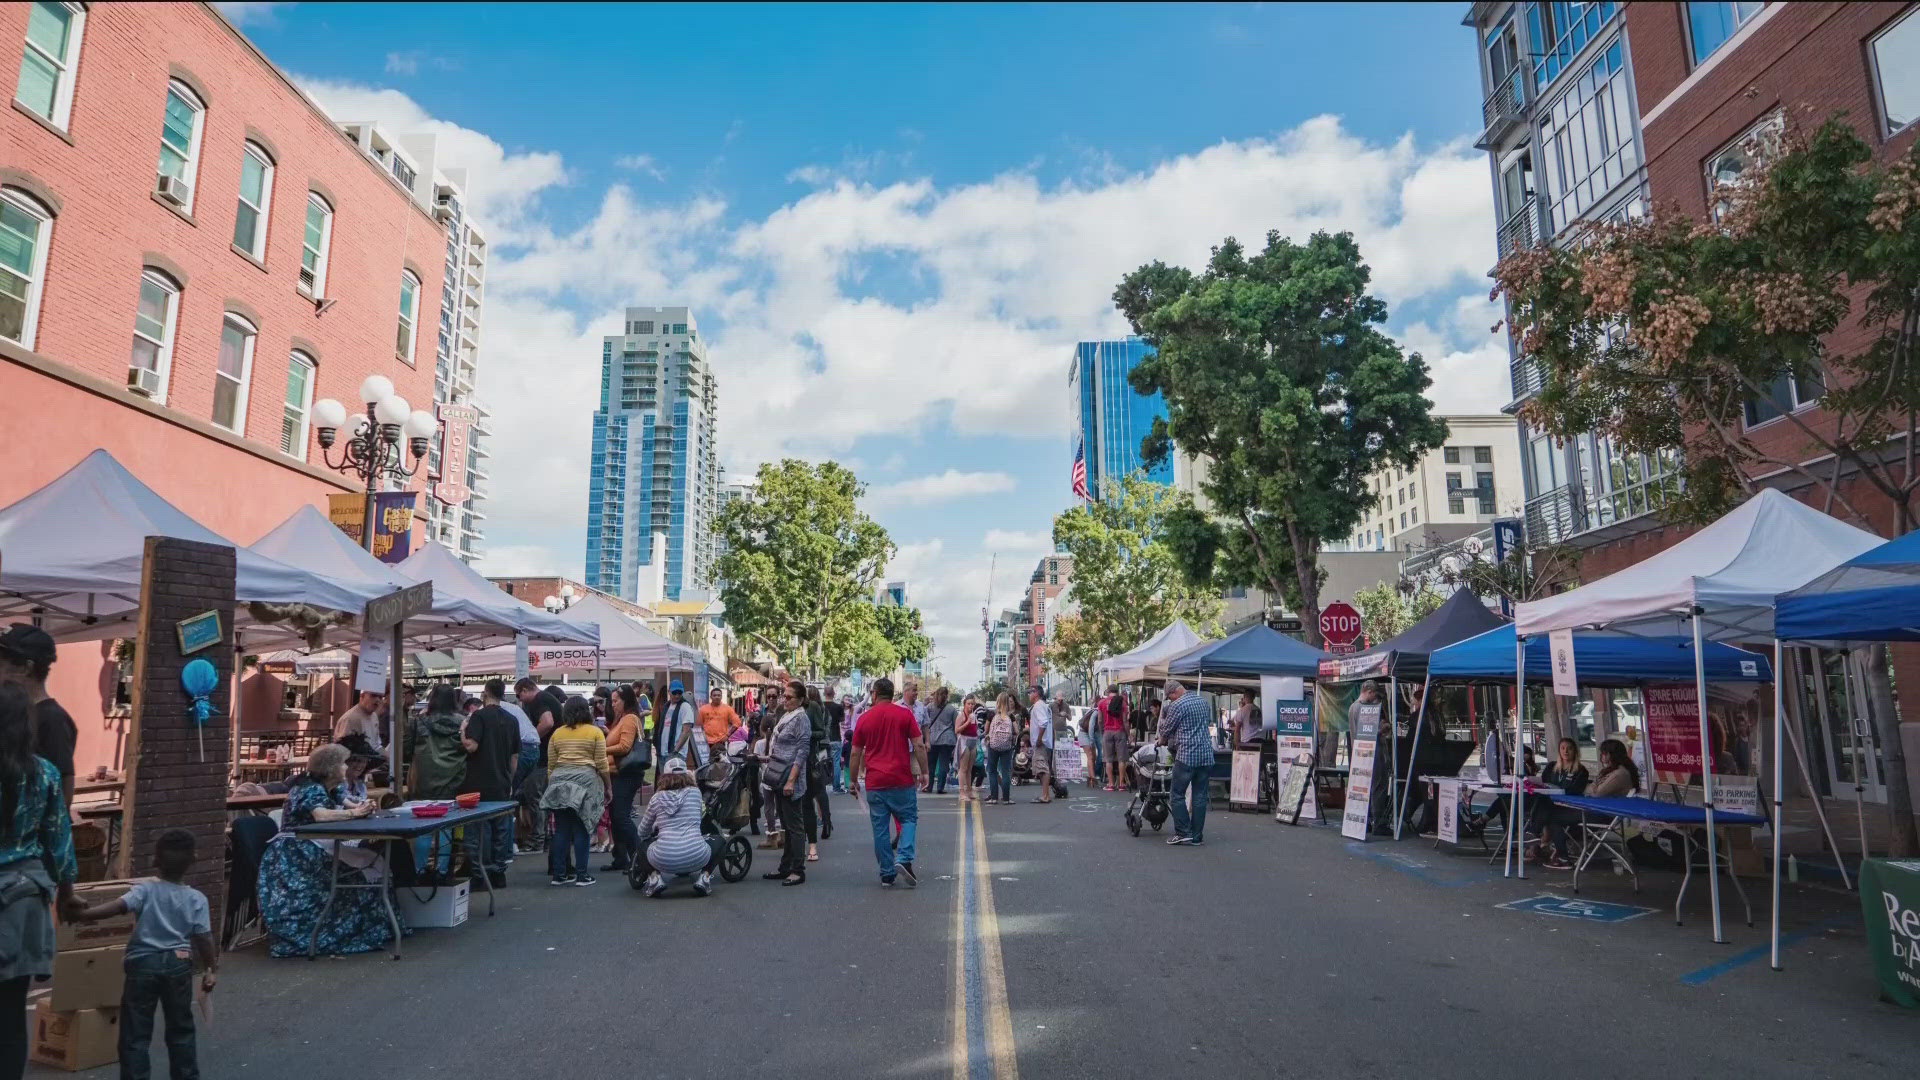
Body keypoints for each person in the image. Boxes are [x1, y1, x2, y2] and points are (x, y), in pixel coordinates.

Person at [72, 829, 215, 1080]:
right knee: (181, 1029)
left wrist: (84, 915)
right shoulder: (197, 899)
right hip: (178, 964)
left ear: (155, 862)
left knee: (135, 1032)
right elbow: (204, 938)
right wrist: (211, 969)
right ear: (193, 861)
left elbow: (117, 907)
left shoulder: (144, 890)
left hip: (142, 965)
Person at [0, 680, 78, 1080]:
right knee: (11, 1017)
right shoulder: (45, 774)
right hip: (24, 905)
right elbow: (59, 842)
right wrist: (66, 895)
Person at [257, 744, 394, 957]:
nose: (346, 767)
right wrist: (355, 814)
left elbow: (350, 804)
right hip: (296, 852)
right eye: (342, 763)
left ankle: (377, 926)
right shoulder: (308, 789)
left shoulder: (333, 787)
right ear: (330, 767)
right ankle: (344, 930)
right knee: (356, 873)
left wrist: (363, 807)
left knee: (373, 861)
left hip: (317, 844)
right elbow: (321, 815)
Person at [848, 677, 927, 887]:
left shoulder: (865, 719)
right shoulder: (904, 714)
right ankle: (903, 857)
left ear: (874, 694)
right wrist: (925, 772)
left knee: (880, 829)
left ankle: (886, 872)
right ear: (892, 695)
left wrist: (853, 780)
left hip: (875, 782)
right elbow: (919, 745)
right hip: (901, 779)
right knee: (909, 818)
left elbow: (855, 754)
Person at [0, 625, 77, 819]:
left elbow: (62, 791)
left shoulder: (53, 720)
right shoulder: (16, 712)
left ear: (26, 668)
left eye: (1, 665)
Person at [541, 696, 609, 886]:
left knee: (562, 830)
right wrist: (608, 787)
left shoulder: (557, 734)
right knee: (582, 828)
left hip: (559, 780)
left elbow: (551, 764)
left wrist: (550, 785)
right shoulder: (595, 732)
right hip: (585, 780)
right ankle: (582, 874)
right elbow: (602, 764)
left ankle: (559, 875)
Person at [459, 679, 519, 888]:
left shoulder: (478, 716)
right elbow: (514, 756)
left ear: (485, 694)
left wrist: (463, 731)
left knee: (478, 830)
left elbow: (471, 746)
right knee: (501, 829)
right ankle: (498, 872)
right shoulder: (512, 720)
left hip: (478, 782)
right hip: (502, 781)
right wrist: (510, 780)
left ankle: (480, 874)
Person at [636, 760, 723, 897]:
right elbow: (699, 816)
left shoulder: (656, 798)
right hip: (697, 856)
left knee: (641, 845)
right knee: (720, 841)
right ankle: (704, 877)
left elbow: (642, 832)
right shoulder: (695, 793)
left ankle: (654, 878)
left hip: (663, 859)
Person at [406, 684, 466, 882]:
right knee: (446, 826)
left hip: (423, 777)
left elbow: (406, 750)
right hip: (454, 776)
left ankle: (419, 869)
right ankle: (441, 870)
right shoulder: (462, 722)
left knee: (424, 826)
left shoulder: (418, 721)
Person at [763, 681, 813, 886]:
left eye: (789, 697)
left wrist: (791, 780)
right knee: (786, 824)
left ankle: (798, 870)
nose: (784, 699)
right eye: (784, 695)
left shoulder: (801, 718)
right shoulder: (787, 715)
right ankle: (786, 867)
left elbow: (802, 752)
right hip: (778, 775)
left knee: (795, 826)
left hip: (789, 778)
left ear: (800, 699)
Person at [1157, 679, 1215, 846]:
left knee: (1176, 794)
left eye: (1170, 697)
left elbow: (1167, 729)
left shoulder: (1178, 705)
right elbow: (1207, 723)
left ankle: (1183, 832)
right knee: (1200, 796)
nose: (1171, 700)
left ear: (1174, 692)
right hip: (1205, 755)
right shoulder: (1202, 701)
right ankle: (1197, 836)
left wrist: (1161, 740)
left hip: (1187, 755)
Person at [603, 684, 648, 874]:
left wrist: (602, 749)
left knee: (621, 816)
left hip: (626, 774)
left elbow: (624, 747)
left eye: (616, 701)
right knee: (616, 816)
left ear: (625, 701)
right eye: (611, 701)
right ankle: (622, 857)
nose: (613, 705)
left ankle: (640, 857)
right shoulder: (621, 719)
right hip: (619, 773)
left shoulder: (629, 718)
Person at [516, 679, 562, 855]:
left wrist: (532, 740)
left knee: (535, 797)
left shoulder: (539, 700)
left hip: (544, 756)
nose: (520, 700)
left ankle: (537, 840)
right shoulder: (546, 698)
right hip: (551, 755)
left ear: (526, 689)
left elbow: (547, 722)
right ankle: (544, 838)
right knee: (543, 798)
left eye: (520, 695)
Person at [1536, 737, 1591, 869]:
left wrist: (1558, 791)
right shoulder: (1551, 767)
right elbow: (1542, 784)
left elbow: (1575, 790)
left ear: (1575, 751)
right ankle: (1561, 856)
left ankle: (1537, 836)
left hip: (1569, 806)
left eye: (1569, 748)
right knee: (1540, 801)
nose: (1566, 751)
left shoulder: (1581, 771)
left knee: (1551, 816)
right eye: (1563, 748)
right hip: (1550, 804)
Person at [655, 681, 698, 776]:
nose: (677, 695)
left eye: (679, 693)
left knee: (676, 782)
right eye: (674, 693)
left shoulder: (685, 706)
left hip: (676, 753)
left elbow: (686, 731)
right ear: (669, 692)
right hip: (662, 752)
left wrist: (676, 750)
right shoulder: (667, 705)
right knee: (665, 783)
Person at [983, 692, 1018, 805]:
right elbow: (1017, 731)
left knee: (992, 771)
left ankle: (994, 797)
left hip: (993, 746)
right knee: (1005, 772)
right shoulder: (1010, 716)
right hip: (1006, 747)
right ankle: (1006, 799)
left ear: (997, 702)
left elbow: (986, 729)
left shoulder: (992, 714)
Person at [923, 687, 958, 795]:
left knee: (931, 765)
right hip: (947, 740)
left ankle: (929, 786)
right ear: (947, 696)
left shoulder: (930, 707)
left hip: (932, 739)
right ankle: (940, 787)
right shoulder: (952, 709)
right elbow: (956, 726)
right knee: (944, 764)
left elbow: (924, 722)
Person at [332, 688, 386, 755]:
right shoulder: (350, 718)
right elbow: (344, 751)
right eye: (373, 695)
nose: (377, 700)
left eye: (380, 697)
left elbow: (376, 746)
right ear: (362, 696)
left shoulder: (374, 716)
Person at [1026, 686, 1055, 803]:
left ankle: (1045, 795)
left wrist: (1039, 738)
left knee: (1043, 769)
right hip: (1046, 742)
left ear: (1036, 693)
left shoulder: (1038, 706)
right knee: (1043, 768)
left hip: (1041, 743)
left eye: (1030, 692)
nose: (1028, 695)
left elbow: (1043, 723)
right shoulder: (1044, 706)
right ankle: (1045, 794)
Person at [1099, 686, 1128, 792]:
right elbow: (1125, 720)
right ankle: (1121, 784)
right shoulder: (1123, 702)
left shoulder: (1102, 703)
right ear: (1117, 692)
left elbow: (1100, 720)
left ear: (1108, 692)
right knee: (1122, 759)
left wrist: (1103, 731)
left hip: (1107, 732)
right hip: (1120, 731)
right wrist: (1128, 733)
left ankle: (1111, 784)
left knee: (1108, 760)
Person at [955, 694, 981, 803]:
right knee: (963, 768)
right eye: (968, 704)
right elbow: (957, 730)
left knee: (970, 769)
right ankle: (962, 792)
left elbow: (977, 729)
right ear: (965, 704)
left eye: (972, 704)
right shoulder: (961, 715)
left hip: (973, 741)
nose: (970, 706)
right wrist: (966, 723)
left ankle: (969, 790)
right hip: (964, 741)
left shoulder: (974, 715)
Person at [823, 687, 848, 793]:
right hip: (835, 738)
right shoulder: (838, 707)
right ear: (834, 694)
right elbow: (842, 720)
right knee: (836, 763)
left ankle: (822, 787)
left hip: (823, 739)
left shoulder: (820, 706)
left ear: (824, 693)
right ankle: (836, 787)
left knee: (823, 763)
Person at [699, 686, 734, 751]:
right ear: (711, 697)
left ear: (721, 697)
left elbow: (736, 723)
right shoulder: (703, 709)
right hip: (706, 742)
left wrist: (727, 735)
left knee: (720, 760)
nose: (717, 697)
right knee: (706, 760)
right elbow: (699, 725)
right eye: (714, 695)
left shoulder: (728, 709)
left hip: (721, 741)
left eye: (718, 695)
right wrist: (702, 737)